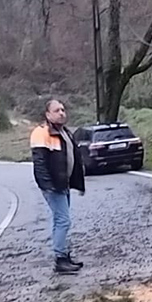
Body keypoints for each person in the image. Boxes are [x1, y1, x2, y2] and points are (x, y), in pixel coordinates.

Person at [31, 99, 86, 275]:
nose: (62, 113)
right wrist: (48, 186)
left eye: (63, 109)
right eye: (57, 110)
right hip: (54, 186)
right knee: (63, 220)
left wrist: (77, 183)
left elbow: (72, 160)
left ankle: (63, 256)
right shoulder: (42, 133)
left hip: (64, 184)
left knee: (59, 220)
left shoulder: (64, 132)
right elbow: (40, 163)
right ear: (48, 114)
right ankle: (61, 259)